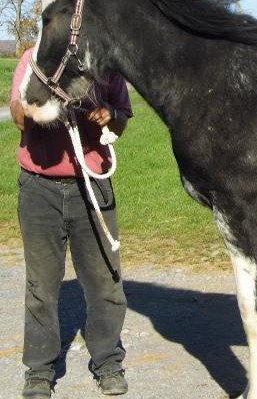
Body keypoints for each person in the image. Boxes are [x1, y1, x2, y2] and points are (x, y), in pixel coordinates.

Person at [10, 48, 133, 398]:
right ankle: (39, 370)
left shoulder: (106, 65)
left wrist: (109, 114)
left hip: (93, 185)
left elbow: (122, 121)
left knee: (105, 281)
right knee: (41, 285)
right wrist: (40, 105)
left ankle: (108, 362)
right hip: (39, 189)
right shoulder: (33, 60)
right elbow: (19, 119)